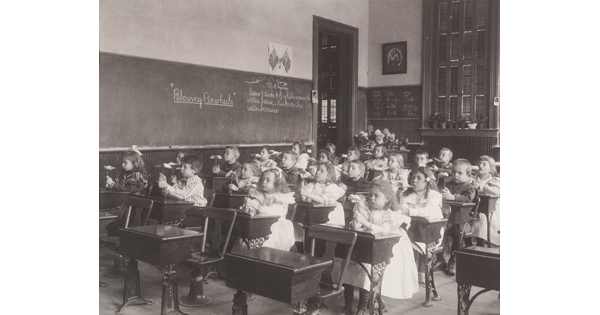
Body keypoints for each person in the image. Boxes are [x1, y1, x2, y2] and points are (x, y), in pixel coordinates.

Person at [341, 180, 419, 314]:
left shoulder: (391, 213)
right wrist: (356, 224)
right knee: (348, 266)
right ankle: (349, 304)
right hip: (366, 243)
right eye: (370, 195)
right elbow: (360, 222)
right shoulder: (365, 206)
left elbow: (384, 230)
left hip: (387, 247)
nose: (371, 198)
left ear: (387, 198)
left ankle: (363, 307)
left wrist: (365, 223)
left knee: (368, 271)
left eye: (376, 196)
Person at [400, 166, 444, 284]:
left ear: (427, 180)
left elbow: (428, 212)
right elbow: (400, 209)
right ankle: (406, 271)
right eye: (413, 178)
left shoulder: (435, 195)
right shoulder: (407, 194)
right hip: (413, 227)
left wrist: (408, 211)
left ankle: (417, 272)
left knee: (409, 236)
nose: (414, 181)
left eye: (419, 178)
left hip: (430, 229)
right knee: (400, 236)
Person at [434, 158, 476, 275]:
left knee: (458, 233)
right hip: (446, 219)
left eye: (459, 173)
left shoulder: (469, 187)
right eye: (453, 172)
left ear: (468, 175)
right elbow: (438, 194)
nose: (455, 175)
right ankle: (440, 258)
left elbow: (468, 198)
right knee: (437, 230)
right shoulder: (447, 184)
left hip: (462, 220)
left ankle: (453, 259)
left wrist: (453, 197)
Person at [241, 168, 296, 251]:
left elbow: (271, 212)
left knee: (267, 244)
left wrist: (255, 206)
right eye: (262, 179)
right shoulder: (260, 194)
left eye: (268, 180)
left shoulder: (280, 197)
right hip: (260, 224)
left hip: (275, 226)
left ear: (277, 183)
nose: (264, 182)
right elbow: (255, 206)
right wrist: (249, 207)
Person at [105, 147, 150, 236]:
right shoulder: (126, 174)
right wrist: (111, 184)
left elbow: (129, 190)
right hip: (125, 200)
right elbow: (121, 186)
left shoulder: (135, 176)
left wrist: (113, 184)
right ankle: (109, 227)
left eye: (125, 163)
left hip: (132, 204)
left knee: (117, 214)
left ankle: (114, 229)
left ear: (135, 163)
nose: (122, 164)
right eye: (122, 162)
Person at [465, 155, 500, 246]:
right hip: (472, 208)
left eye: (484, 164)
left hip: (489, 209)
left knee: (482, 219)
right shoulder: (472, 179)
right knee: (465, 219)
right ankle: (468, 245)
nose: (480, 165)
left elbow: (496, 192)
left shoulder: (495, 181)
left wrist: (481, 187)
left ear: (491, 169)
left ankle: (480, 244)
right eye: (479, 164)